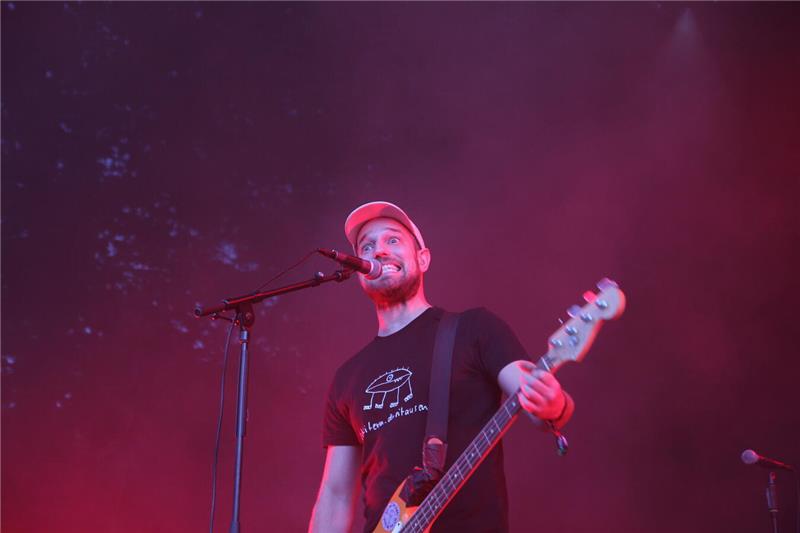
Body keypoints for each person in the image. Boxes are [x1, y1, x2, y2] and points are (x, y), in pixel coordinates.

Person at [309, 201, 574, 533]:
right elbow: (334, 496)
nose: (379, 251)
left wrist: (553, 402)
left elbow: (534, 396)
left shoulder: (473, 329)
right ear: (360, 274)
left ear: (423, 259)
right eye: (367, 246)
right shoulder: (347, 378)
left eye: (392, 240)